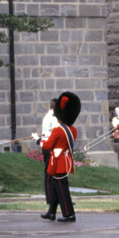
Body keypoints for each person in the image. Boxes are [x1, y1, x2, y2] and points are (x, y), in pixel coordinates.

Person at [40, 91, 80, 223]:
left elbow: (48, 145)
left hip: (58, 161)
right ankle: (51, 212)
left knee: (62, 189)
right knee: (54, 187)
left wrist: (38, 140)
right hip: (64, 160)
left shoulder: (58, 130)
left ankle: (69, 214)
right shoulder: (73, 130)